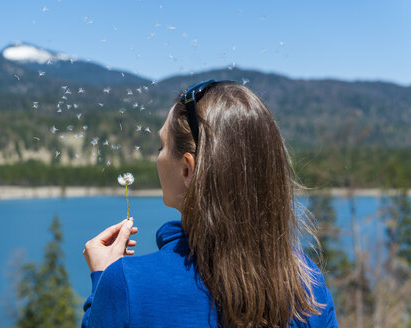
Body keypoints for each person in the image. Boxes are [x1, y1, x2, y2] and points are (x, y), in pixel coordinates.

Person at [81, 80, 339, 327]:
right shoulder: (306, 284)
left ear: (187, 170)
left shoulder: (128, 285)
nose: (158, 157)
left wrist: (102, 280)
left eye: (161, 146)